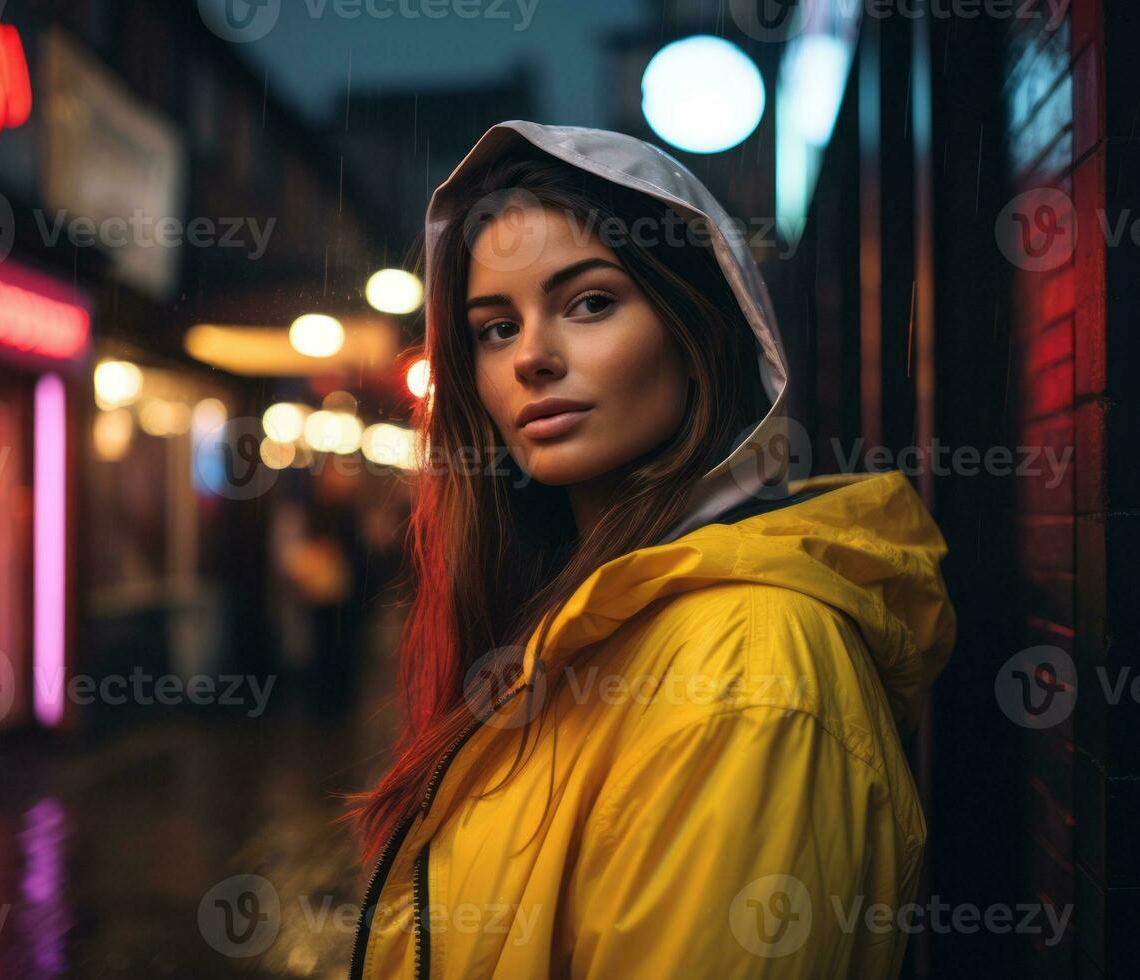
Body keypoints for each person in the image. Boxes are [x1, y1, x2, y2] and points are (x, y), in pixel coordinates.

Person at [347, 121, 957, 978]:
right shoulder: (575, 619)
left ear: (697, 331)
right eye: (493, 326)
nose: (530, 358)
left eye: (589, 302)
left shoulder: (748, 668)